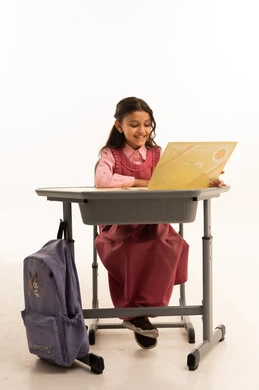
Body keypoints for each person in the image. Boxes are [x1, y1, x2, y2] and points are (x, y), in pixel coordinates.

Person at [94, 97, 225, 350]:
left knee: (167, 243)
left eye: (146, 124)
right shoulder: (110, 154)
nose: (142, 130)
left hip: (154, 223)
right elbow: (102, 180)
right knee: (131, 249)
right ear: (119, 126)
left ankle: (141, 315)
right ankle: (138, 315)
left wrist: (209, 180)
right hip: (119, 227)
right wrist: (141, 182)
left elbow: (179, 179)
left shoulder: (156, 154)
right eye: (134, 124)